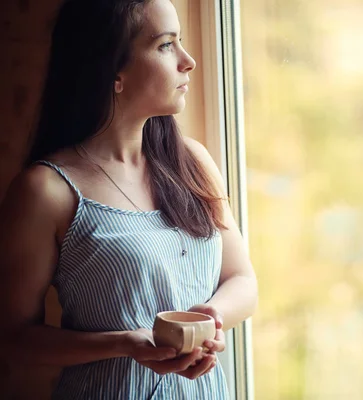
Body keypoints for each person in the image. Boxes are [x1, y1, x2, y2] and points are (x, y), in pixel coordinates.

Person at [0, 0, 257, 398]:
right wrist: (123, 343)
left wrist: (210, 320)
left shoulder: (193, 163)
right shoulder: (46, 190)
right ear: (112, 70)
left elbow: (242, 280)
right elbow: (13, 337)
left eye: (181, 42)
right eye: (165, 45)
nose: (187, 61)